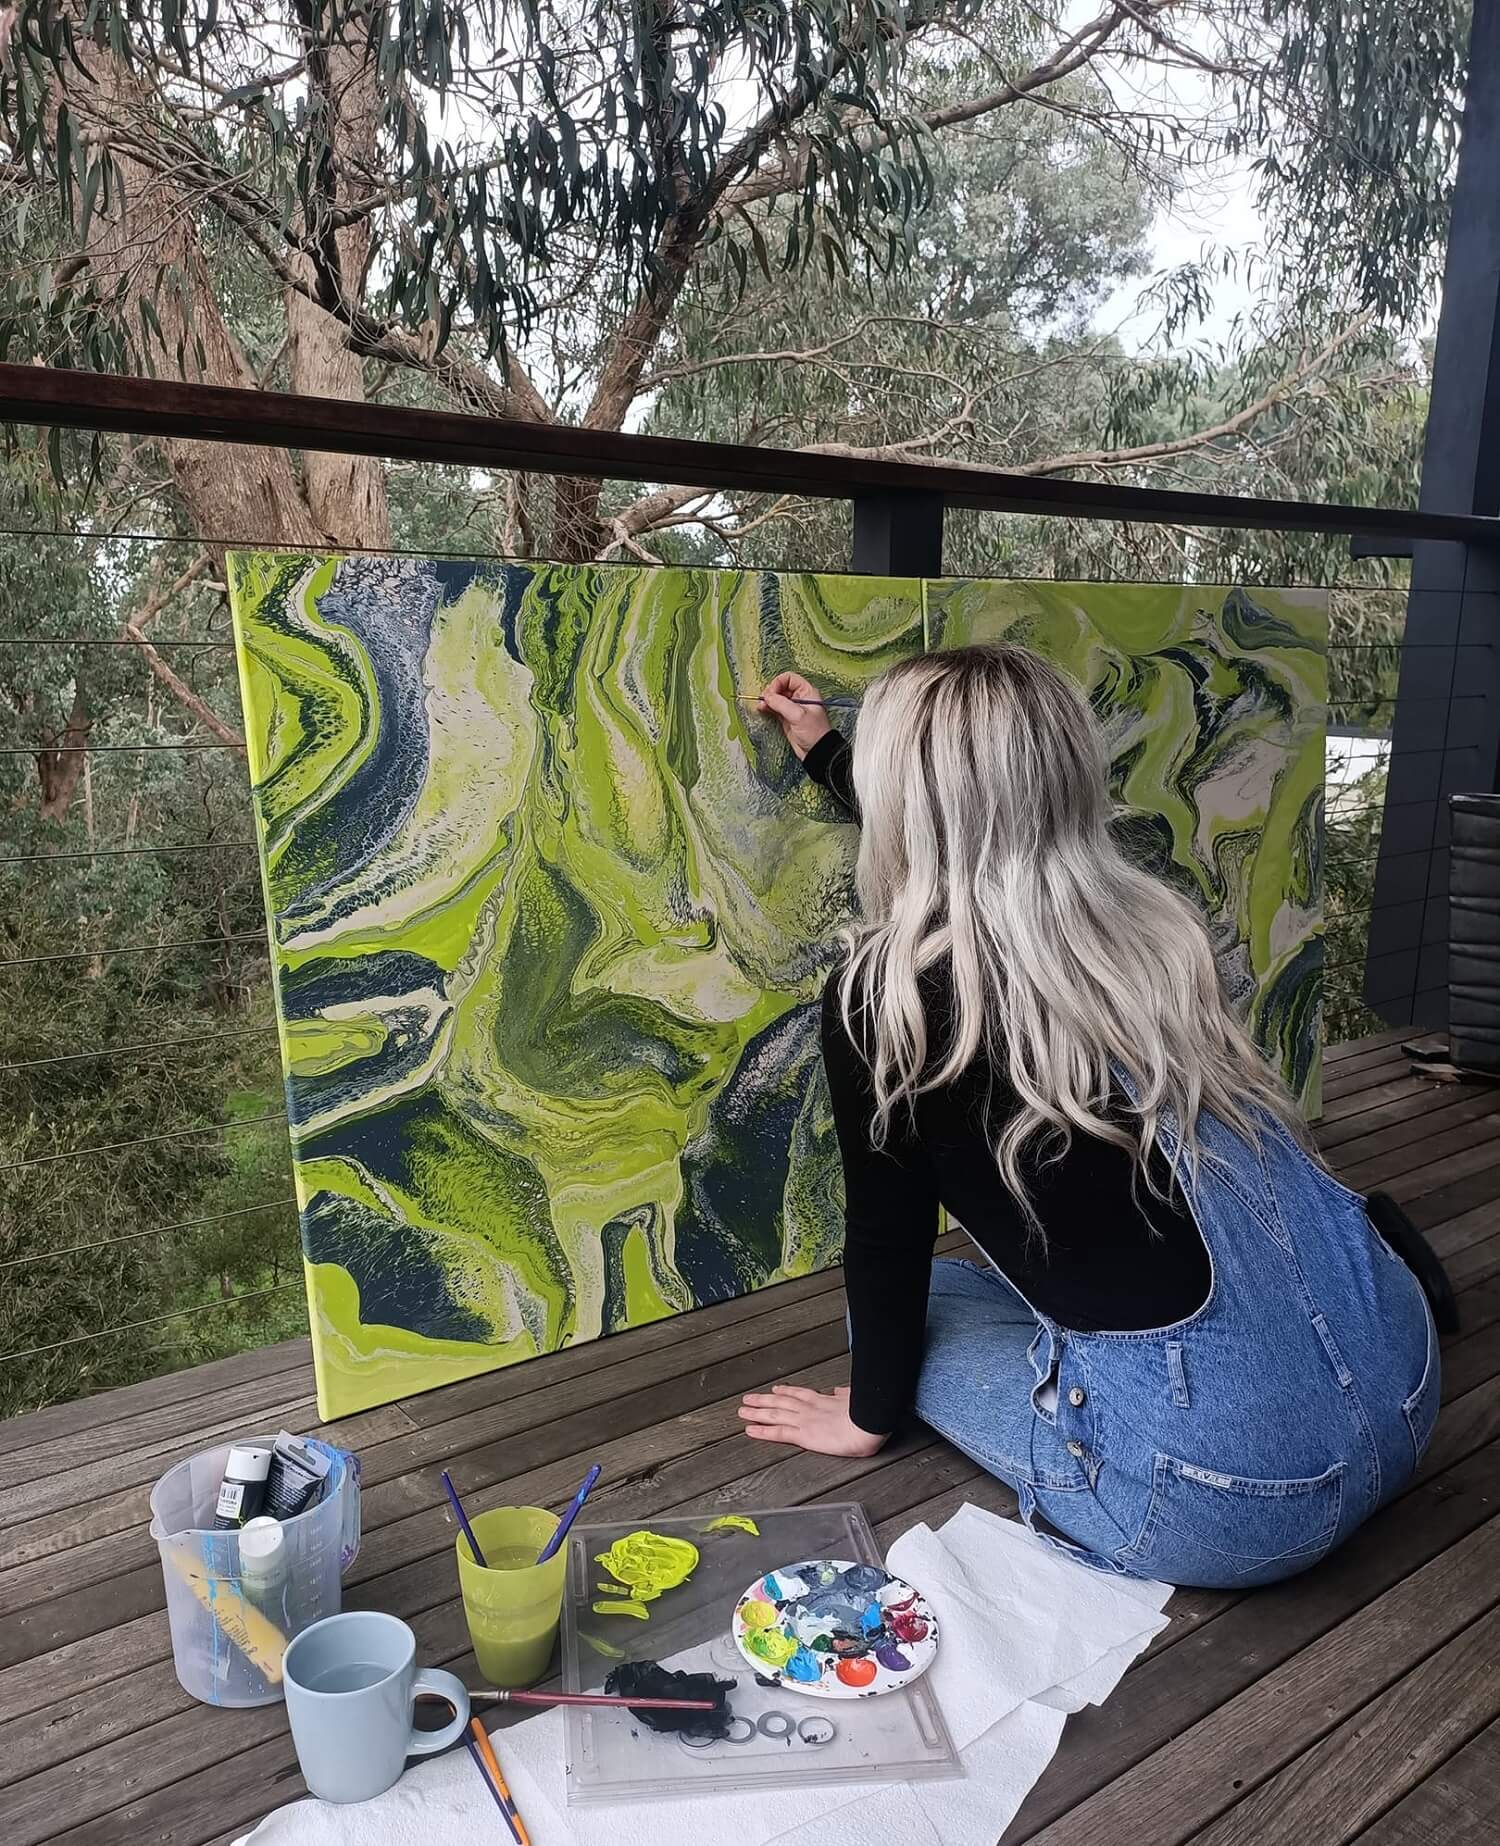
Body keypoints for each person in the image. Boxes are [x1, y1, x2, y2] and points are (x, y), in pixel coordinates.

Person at [738, 646, 1446, 1589]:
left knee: (918, 1306)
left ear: (903, 798)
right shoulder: (1154, 929)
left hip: (1226, 1502)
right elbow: (994, 840)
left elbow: (886, 1236)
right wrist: (826, 749)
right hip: (1404, 1388)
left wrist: (869, 1419)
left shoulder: (890, 999)